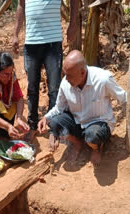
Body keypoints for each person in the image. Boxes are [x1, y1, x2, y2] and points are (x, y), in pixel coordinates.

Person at [38, 50, 130, 166]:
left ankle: (97, 148)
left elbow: (124, 99)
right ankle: (77, 142)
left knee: (92, 135)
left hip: (99, 124)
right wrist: (45, 118)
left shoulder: (103, 79)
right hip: (78, 123)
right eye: (65, 74)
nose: (66, 79)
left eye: (69, 75)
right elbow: (59, 108)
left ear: (83, 72)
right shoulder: (66, 83)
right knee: (54, 124)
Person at [13, 0, 77, 142]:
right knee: (32, 88)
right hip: (31, 42)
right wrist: (16, 33)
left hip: (52, 42)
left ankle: (54, 127)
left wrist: (73, 25)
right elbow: (21, 5)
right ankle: (33, 125)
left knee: (54, 87)